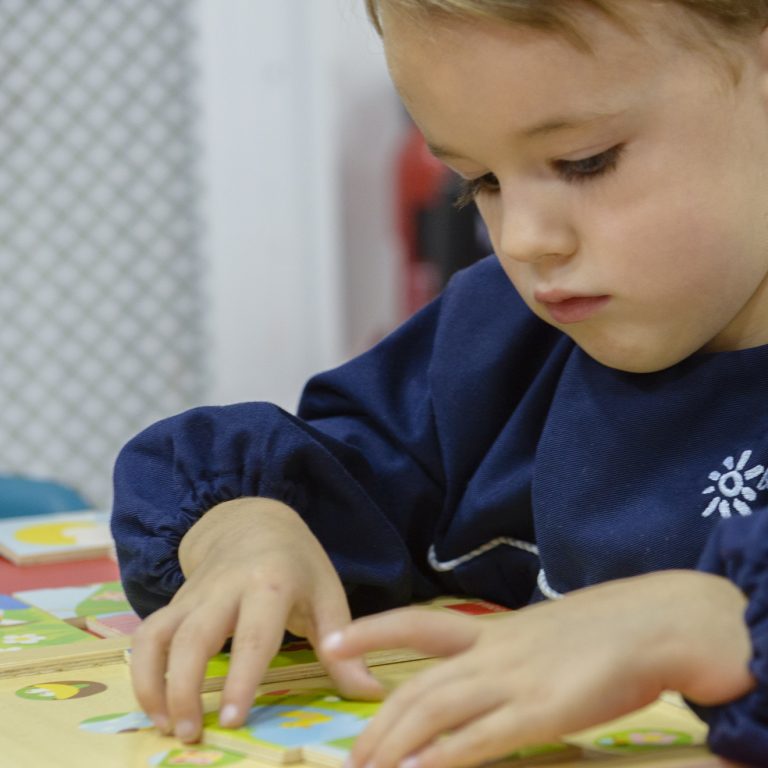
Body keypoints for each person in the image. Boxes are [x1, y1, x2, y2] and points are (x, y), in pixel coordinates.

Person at [111, 1, 768, 765]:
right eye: (478, 182)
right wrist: (249, 531)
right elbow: (328, 474)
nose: (521, 238)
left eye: (585, 161)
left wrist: (712, 620)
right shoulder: (500, 343)